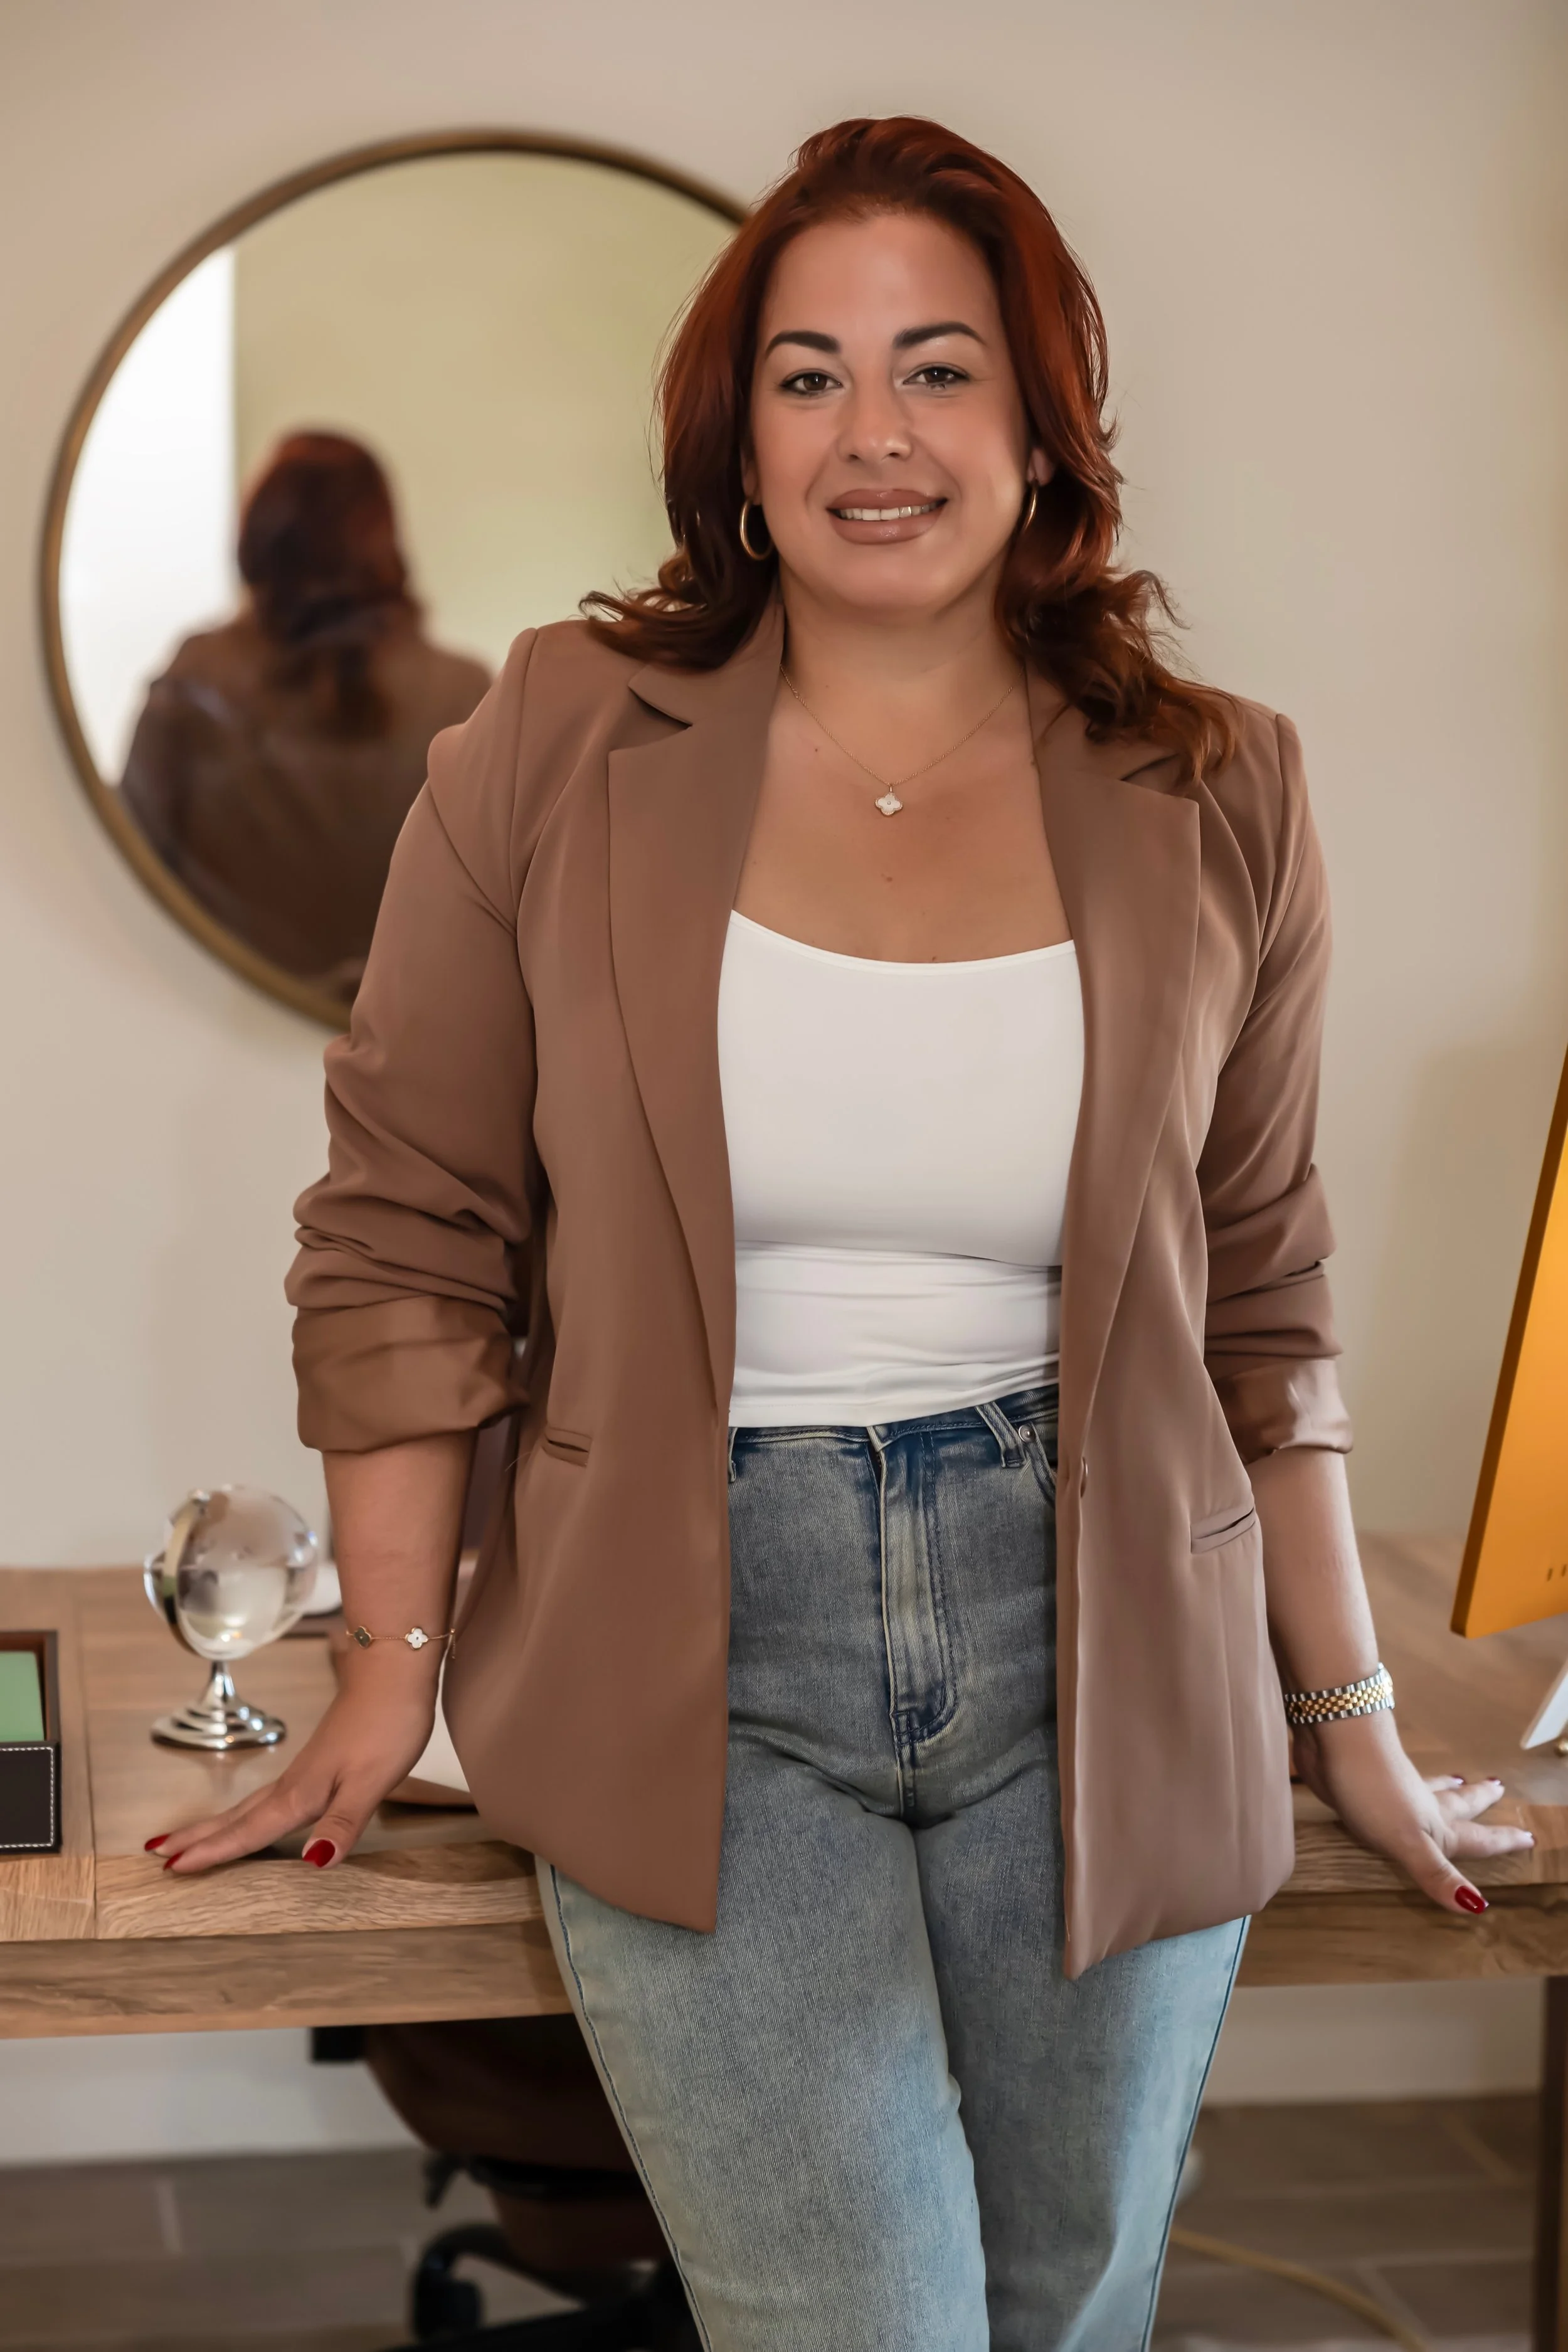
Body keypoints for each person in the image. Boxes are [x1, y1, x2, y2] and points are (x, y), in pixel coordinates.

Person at [147, 120, 1532, 2350]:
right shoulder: (558, 739)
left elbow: (1257, 1285)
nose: (871, 432)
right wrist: (391, 1667)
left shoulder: (1218, 781)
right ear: (735, 434)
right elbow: (408, 1228)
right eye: (806, 374)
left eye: (936, 366)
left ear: (1041, 423)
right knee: (853, 2318)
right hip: (700, 1647)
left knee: (1068, 2299)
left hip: (1114, 1633)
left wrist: (1346, 1703)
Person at [119, 431, 489, 1000]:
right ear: (385, 541)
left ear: (259, 538)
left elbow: (128, 884)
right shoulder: (467, 696)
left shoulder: (196, 678)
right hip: (410, 1052)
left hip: (212, 1034)